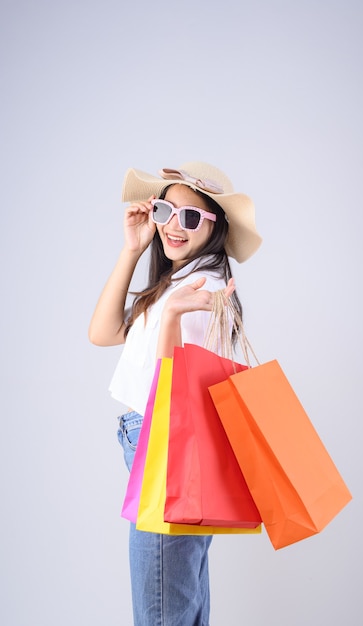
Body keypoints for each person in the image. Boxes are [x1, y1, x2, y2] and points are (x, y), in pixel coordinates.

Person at [88, 161, 262, 626]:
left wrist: (169, 321)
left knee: (162, 612)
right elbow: (102, 333)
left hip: (166, 451)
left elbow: (175, 398)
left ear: (216, 226)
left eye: (190, 217)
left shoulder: (202, 289)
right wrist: (131, 250)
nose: (171, 226)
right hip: (159, 448)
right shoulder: (178, 283)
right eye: (165, 210)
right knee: (176, 605)